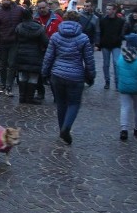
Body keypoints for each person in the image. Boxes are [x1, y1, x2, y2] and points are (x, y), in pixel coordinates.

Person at [41, 10, 96, 145]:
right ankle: (66, 128)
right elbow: (88, 60)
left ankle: (62, 130)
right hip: (76, 76)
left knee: (61, 103)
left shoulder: (55, 36)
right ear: (78, 22)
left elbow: (49, 57)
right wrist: (91, 75)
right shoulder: (83, 38)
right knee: (74, 103)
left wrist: (44, 72)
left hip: (57, 74)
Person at [116, 33, 137, 141]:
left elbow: (118, 71)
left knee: (124, 107)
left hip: (124, 87)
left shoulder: (121, 57)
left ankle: (124, 129)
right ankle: (136, 127)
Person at [0, 0, 24, 97]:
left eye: (7, 0)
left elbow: (23, 22)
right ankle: (3, 84)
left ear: (10, 0)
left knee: (12, 64)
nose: (5, 1)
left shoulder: (18, 10)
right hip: (3, 42)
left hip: (14, 41)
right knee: (2, 64)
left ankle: (8, 85)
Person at [13, 7, 48, 104]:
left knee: (22, 76)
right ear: (32, 15)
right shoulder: (39, 27)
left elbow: (15, 40)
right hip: (35, 55)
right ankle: (29, 98)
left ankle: (22, 97)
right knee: (33, 77)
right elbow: (45, 42)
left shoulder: (19, 27)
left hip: (21, 54)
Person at [33, 0, 63, 100]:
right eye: (40, 8)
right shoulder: (34, 19)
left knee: (53, 73)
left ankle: (56, 95)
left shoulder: (57, 19)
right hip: (38, 48)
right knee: (38, 72)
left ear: (48, 7)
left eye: (44, 7)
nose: (42, 10)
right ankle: (40, 92)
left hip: (53, 48)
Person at [98, 4, 125, 89]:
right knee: (106, 64)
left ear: (114, 10)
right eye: (107, 9)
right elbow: (100, 33)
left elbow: (122, 32)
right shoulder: (103, 21)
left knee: (116, 63)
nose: (107, 11)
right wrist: (100, 44)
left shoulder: (120, 21)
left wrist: (119, 39)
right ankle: (107, 81)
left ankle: (117, 83)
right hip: (105, 45)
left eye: (109, 9)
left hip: (116, 45)